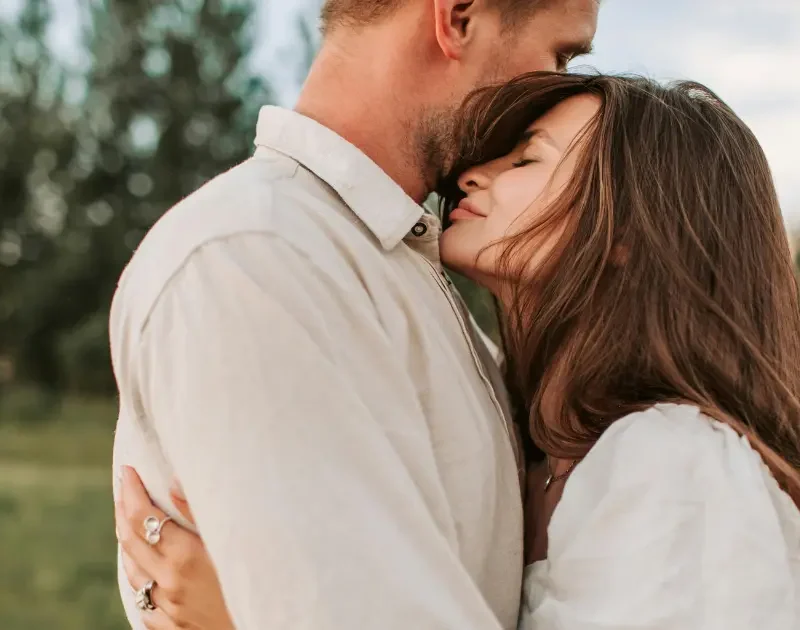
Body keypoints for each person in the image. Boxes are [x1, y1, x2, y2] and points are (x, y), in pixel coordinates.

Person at [117, 72, 800, 629]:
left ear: (628, 230)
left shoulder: (676, 465)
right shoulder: (527, 444)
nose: (473, 176)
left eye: (527, 158)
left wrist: (246, 618)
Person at [110, 0, 600, 628]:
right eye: (559, 54)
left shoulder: (392, 265)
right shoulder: (255, 259)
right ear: (458, 19)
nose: (559, 89)